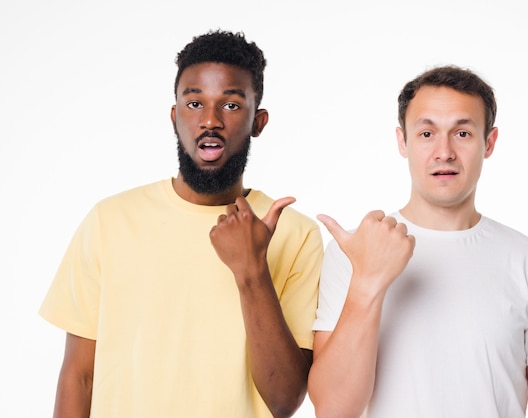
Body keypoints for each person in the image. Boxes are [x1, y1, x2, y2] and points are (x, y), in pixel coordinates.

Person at [39, 29, 323, 418]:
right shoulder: (109, 221)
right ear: (174, 118)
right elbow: (78, 376)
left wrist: (252, 271)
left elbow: (285, 399)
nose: (210, 120)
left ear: (258, 122)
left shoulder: (296, 234)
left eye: (231, 105)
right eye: (194, 103)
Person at [308, 65, 528, 418]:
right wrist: (368, 281)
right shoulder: (356, 252)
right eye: (426, 134)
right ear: (402, 142)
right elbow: (333, 410)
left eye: (462, 133)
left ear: (489, 143)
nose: (444, 152)